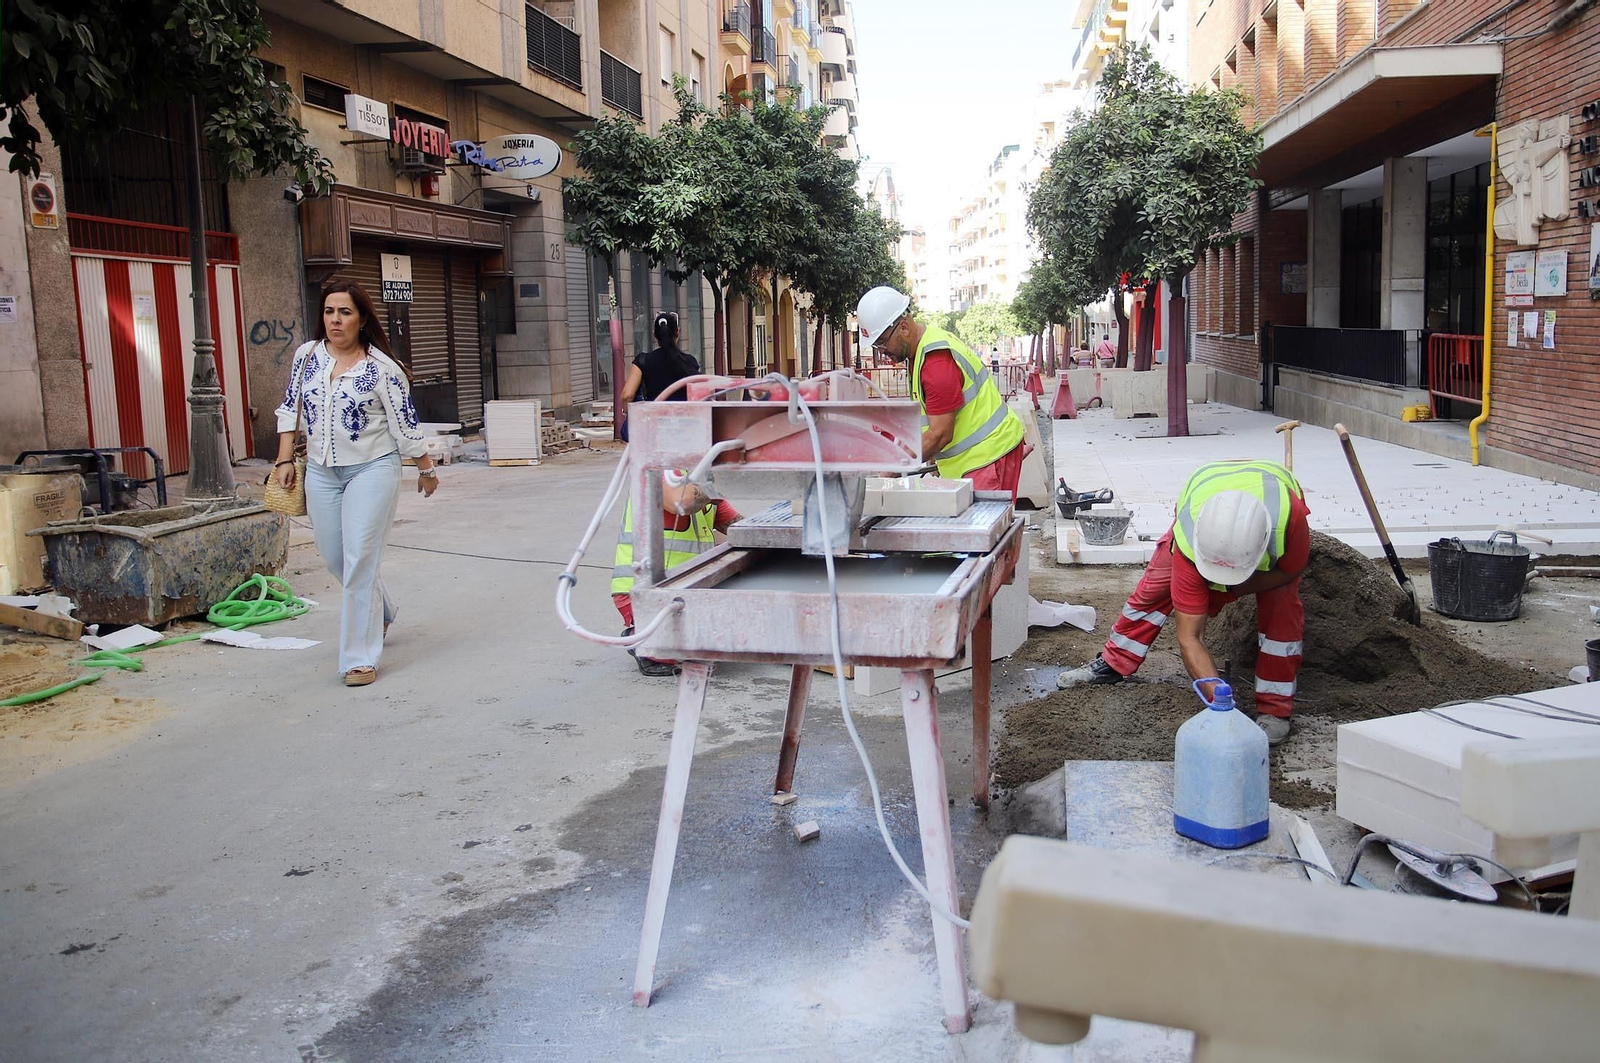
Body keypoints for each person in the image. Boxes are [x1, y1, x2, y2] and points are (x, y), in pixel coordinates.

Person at [1056, 459, 1310, 746]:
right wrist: (1219, 703)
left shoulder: (1291, 520)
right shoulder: (1190, 536)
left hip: (1273, 512)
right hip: (1205, 505)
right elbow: (1191, 637)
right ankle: (1113, 663)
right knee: (1150, 595)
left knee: (1283, 614)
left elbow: (1290, 570)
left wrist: (1231, 591)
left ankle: (1275, 709)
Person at [273, 280, 436, 687]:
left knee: (360, 557)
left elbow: (405, 423)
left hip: (372, 469)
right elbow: (290, 406)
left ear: (362, 319)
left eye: (344, 312)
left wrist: (426, 467)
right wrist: (282, 458)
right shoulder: (306, 357)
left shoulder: (383, 368)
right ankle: (382, 609)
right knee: (335, 557)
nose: (335, 320)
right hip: (321, 471)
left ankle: (359, 658)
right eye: (329, 311)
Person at [855, 286, 1028, 498]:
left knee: (984, 528)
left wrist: (894, 467)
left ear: (903, 328)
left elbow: (940, 434)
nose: (882, 352)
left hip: (988, 455)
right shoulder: (921, 350)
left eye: (882, 343)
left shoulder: (935, 363)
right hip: (976, 458)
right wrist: (934, 459)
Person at [612, 473, 741, 676]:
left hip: (685, 588)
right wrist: (725, 480)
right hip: (643, 593)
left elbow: (737, 526)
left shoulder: (701, 478)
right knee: (690, 656)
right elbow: (681, 501)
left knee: (731, 638)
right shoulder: (661, 468)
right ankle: (642, 638)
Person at [619, 311, 700, 439]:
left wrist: (627, 412)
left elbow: (627, 395)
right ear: (677, 332)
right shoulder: (690, 362)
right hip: (685, 430)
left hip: (654, 431)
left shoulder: (643, 361)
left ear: (655, 335)